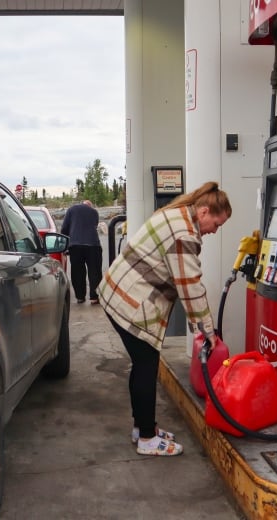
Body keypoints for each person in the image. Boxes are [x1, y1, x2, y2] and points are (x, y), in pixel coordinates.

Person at [98, 181, 231, 456]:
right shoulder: (185, 235)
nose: (215, 231)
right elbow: (190, 286)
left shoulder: (176, 213)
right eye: (216, 224)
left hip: (118, 292)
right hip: (131, 303)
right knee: (147, 366)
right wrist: (209, 331)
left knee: (142, 364)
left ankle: (142, 428)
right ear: (204, 212)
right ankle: (147, 439)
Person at [61, 200, 103, 304]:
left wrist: (66, 243)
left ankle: (80, 297)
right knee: (95, 271)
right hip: (93, 245)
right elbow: (95, 225)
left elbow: (64, 228)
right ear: (90, 206)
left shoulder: (71, 209)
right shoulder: (94, 212)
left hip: (75, 245)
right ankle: (94, 297)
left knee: (77, 271)